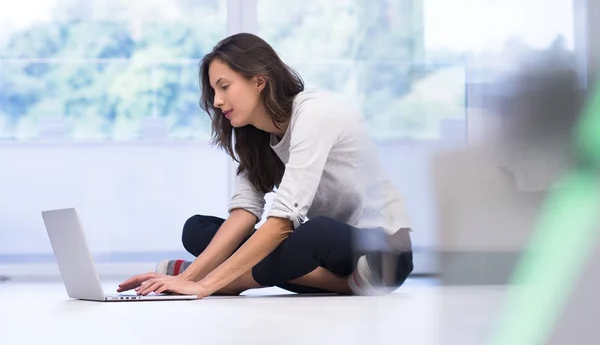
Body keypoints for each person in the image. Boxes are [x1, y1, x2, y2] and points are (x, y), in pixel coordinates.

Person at [117, 33, 413, 298]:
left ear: (259, 80)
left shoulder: (314, 113)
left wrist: (206, 284)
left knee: (311, 233)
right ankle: (344, 284)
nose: (217, 101)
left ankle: (230, 281)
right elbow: (245, 212)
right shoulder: (254, 136)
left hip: (382, 252)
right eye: (213, 91)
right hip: (327, 259)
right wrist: (188, 278)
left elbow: (284, 220)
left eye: (224, 87)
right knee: (197, 230)